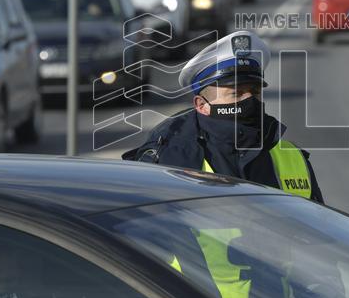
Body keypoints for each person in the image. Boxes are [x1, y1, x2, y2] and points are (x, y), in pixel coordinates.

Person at [122, 30, 323, 203]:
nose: (249, 100)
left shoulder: (292, 157)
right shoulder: (169, 162)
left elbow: (322, 231)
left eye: (255, 91)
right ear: (202, 106)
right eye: (236, 93)